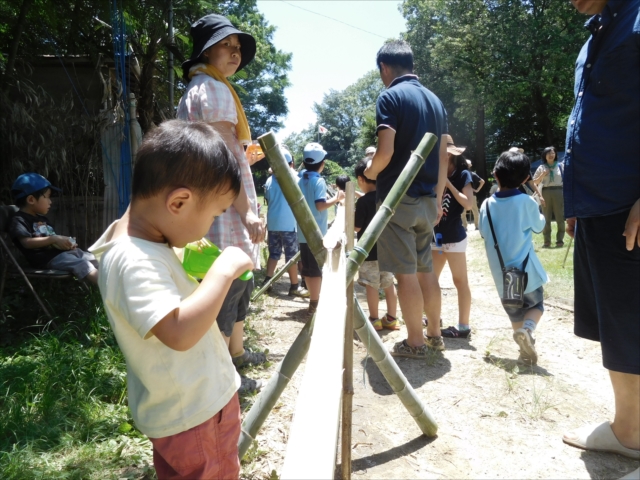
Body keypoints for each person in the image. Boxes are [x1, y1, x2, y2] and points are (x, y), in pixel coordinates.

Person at [90, 120, 252, 480]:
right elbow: (178, 332)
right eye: (212, 216)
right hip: (195, 416)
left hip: (195, 411)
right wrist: (222, 272)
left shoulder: (147, 243)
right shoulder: (133, 260)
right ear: (178, 202)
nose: (210, 227)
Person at [561, 2, 640, 478]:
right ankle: (629, 430)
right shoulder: (595, 34)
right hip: (597, 205)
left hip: (630, 204)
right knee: (618, 328)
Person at [176, 14, 266, 392]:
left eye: (237, 47)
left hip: (218, 195)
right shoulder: (212, 90)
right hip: (224, 200)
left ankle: (237, 353)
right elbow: (223, 153)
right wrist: (246, 209)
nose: (235, 52)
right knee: (227, 281)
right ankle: (221, 377)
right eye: (226, 45)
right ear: (205, 50)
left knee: (237, 280)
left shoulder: (208, 85)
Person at [363, 40, 449, 358]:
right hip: (428, 199)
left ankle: (414, 342)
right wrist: (438, 199)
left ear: (385, 68)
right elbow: (442, 157)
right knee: (426, 269)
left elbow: (384, 152)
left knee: (405, 273)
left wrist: (369, 174)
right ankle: (435, 334)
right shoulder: (436, 102)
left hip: (398, 199)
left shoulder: (390, 96)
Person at [478, 150, 549, 365]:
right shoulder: (526, 202)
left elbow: (483, 232)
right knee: (536, 307)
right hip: (527, 273)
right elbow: (539, 226)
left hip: (503, 277)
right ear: (526, 179)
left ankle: (523, 348)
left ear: (495, 175)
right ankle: (528, 331)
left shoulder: (486, 205)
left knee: (515, 314)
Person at [9, 173, 99, 285]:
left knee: (97, 258)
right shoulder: (19, 220)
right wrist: (53, 239)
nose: (50, 201)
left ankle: (120, 283)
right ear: (31, 199)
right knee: (82, 264)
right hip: (47, 260)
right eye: (47, 197)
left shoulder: (42, 219)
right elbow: (26, 243)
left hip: (62, 254)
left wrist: (64, 244)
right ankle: (111, 290)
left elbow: (52, 240)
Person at [432, 136, 474, 338]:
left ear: (448, 154)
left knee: (460, 281)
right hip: (436, 237)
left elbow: (468, 204)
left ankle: (463, 326)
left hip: (455, 237)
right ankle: (433, 318)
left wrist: (447, 183)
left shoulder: (463, 174)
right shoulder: (432, 173)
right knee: (431, 280)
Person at [297, 142, 344, 315]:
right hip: (317, 233)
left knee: (308, 269)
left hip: (302, 232)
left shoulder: (300, 179)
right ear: (322, 163)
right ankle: (316, 303)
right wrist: (337, 198)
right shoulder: (319, 181)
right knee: (317, 270)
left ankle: (313, 301)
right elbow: (320, 205)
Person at [353, 159, 399, 331]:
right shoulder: (387, 198)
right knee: (388, 284)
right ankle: (392, 318)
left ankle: (374, 319)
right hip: (387, 250)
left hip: (369, 252)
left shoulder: (363, 201)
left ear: (360, 180)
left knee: (371, 285)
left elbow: (357, 227)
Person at [262, 146, 308, 297]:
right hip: (289, 224)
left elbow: (268, 199)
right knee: (291, 256)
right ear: (291, 164)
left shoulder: (269, 180)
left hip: (273, 223)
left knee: (274, 253)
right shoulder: (295, 178)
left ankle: (267, 282)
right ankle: (294, 285)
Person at [532, 146, 565, 247]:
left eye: (553, 153)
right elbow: (534, 183)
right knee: (546, 217)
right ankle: (547, 241)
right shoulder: (541, 167)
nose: (551, 155)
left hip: (559, 191)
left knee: (560, 217)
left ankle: (560, 240)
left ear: (555, 155)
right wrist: (542, 175)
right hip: (545, 192)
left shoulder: (561, 166)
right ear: (544, 155)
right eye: (548, 153)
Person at [461, 158, 485, 230]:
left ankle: (465, 226)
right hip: (472, 195)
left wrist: (477, 190)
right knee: (475, 210)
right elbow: (482, 181)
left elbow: (482, 181)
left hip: (464, 195)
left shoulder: (462, 173)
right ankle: (477, 226)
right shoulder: (472, 174)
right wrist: (477, 190)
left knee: (463, 211)